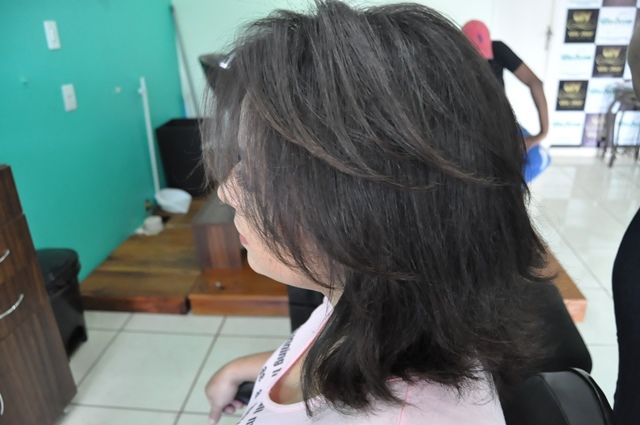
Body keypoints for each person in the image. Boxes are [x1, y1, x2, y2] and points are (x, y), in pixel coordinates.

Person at [201, 2, 548, 424]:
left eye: (256, 177)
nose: (227, 192)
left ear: (370, 212)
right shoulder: (367, 298)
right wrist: (243, 369)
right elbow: (329, 347)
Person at [462, 20, 550, 182]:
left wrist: (542, 133)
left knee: (539, 159)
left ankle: (507, 193)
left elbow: (535, 82)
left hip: (503, 123)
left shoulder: (498, 49)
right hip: (472, 129)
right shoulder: (453, 59)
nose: (482, 61)